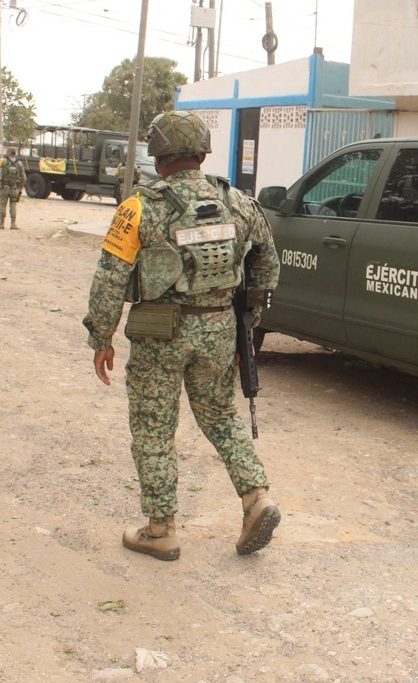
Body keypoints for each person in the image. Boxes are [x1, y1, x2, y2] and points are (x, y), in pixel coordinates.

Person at [82, 110, 281, 562]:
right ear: (204, 152)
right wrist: (246, 323)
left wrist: (102, 336)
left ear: (158, 154)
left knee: (154, 428)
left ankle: (161, 530)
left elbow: (110, 278)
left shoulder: (139, 207)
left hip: (160, 332)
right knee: (221, 415)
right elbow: (267, 266)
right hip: (219, 326)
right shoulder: (240, 203)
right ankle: (256, 498)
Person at [0, 147, 25, 229]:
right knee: (13, 205)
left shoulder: (2, 161)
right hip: (14, 187)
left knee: (2, 205)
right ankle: (13, 224)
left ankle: (1, 224)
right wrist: (20, 188)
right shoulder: (19, 163)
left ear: (9, 153)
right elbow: (24, 177)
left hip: (4, 187)